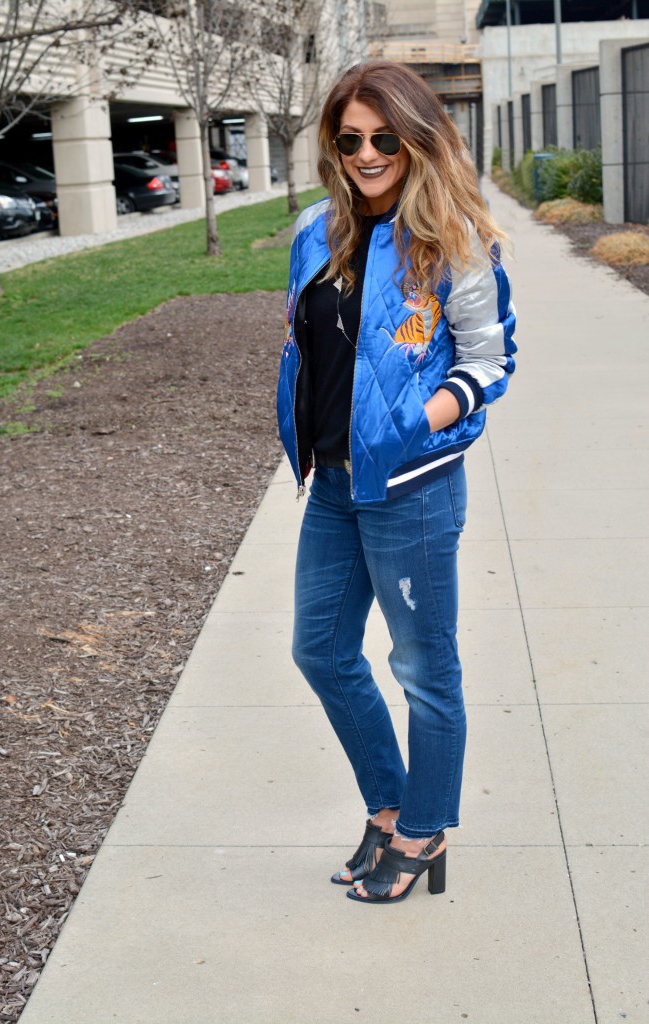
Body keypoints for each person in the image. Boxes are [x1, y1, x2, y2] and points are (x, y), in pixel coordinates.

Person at [276, 61, 516, 904]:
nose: (367, 154)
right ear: (332, 147)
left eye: (383, 138)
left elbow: (490, 360)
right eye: (350, 139)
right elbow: (309, 343)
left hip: (412, 487)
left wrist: (435, 412)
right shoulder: (317, 230)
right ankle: (388, 806)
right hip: (335, 484)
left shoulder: (453, 239)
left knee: (423, 668)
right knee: (321, 650)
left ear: (415, 140)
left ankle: (426, 825)